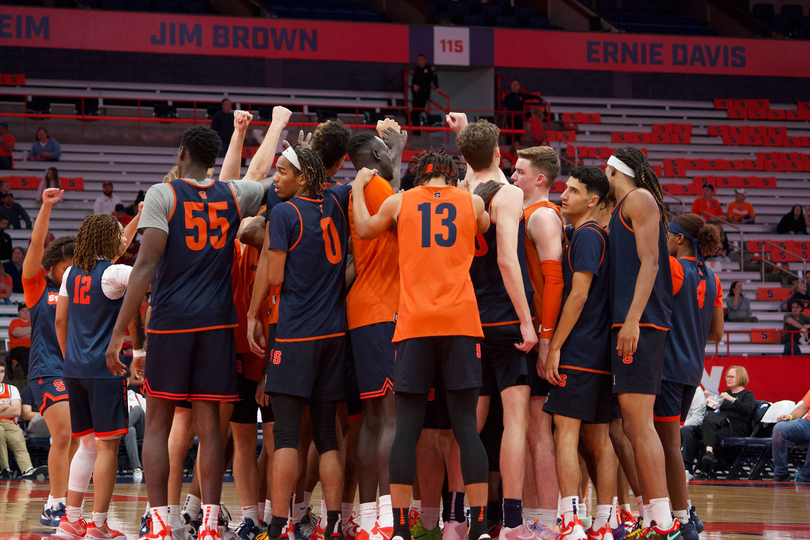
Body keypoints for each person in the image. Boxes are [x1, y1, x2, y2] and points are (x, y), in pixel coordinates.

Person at [106, 109, 285, 540]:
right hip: (218, 326)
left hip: (172, 322)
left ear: (181, 152)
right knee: (210, 428)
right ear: (214, 157)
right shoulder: (232, 193)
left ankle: (161, 521)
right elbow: (270, 180)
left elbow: (146, 264)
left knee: (159, 425)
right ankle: (208, 520)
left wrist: (119, 333)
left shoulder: (162, 194)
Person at [352, 150, 491, 540]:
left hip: (414, 325)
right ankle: (478, 526)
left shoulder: (400, 201)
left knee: (408, 429)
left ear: (418, 174)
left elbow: (363, 230)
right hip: (461, 323)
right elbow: (483, 225)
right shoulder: (471, 200)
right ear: (451, 175)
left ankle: (399, 529)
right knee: (466, 428)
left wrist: (360, 187)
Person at [454, 117, 537, 539]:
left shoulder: (459, 193)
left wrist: (465, 132)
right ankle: (513, 521)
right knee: (516, 420)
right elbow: (507, 260)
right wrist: (526, 318)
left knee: (469, 422)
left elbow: (476, 166)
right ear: (500, 154)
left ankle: (457, 519)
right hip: (504, 317)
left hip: (466, 317)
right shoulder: (509, 193)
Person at [52, 211, 141, 540]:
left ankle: (71, 520)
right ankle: (99, 526)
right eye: (120, 233)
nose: (123, 237)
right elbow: (146, 276)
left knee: (86, 446)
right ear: (109, 240)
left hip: (74, 369)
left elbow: (61, 322)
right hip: (104, 370)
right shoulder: (116, 273)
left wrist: (70, 357)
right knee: (106, 449)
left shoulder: (71, 273)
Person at [605, 147, 678, 537]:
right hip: (629, 323)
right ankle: (653, 514)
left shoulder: (638, 198)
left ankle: (662, 519)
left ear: (613, 170)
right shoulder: (620, 209)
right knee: (632, 426)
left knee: (639, 423)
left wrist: (632, 319)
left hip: (641, 323)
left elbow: (651, 262)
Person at [542, 166, 616, 540]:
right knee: (599, 440)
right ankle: (605, 520)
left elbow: (579, 294)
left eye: (573, 191)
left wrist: (554, 345)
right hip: (600, 352)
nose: (563, 195)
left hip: (580, 350)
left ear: (594, 200)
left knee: (565, 433)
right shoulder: (593, 234)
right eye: (564, 188)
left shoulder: (587, 237)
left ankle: (570, 517)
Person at [345, 128, 407, 540]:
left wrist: (397, 150)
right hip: (386, 308)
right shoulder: (380, 186)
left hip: (361, 307)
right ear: (373, 152)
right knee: (390, 419)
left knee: (369, 420)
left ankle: (368, 517)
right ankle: (387, 517)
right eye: (386, 150)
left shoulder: (364, 186)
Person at [654, 213, 724, 540]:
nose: (665, 239)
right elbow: (717, 332)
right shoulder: (713, 278)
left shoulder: (673, 267)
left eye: (668, 234)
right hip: (692, 370)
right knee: (665, 443)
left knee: (663, 445)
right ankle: (683, 509)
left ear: (680, 238)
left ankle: (681, 518)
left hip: (667, 367)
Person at [510, 144, 563, 533]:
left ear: (540, 179)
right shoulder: (528, 213)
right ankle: (531, 518)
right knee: (528, 428)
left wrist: (547, 340)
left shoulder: (543, 216)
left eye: (520, 171)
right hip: (530, 332)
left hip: (542, 334)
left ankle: (547, 518)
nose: (514, 176)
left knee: (538, 427)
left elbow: (554, 281)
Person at [23, 187, 76, 529]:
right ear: (56, 264)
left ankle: (63, 504)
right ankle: (54, 504)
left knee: (77, 440)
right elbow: (34, 247)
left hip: (74, 370)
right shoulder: (38, 287)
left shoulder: (79, 287)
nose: (74, 270)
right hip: (46, 370)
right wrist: (45, 207)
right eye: (69, 265)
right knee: (64, 435)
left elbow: (112, 256)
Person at [700, 366, 756, 475]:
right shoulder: (726, 392)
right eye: (727, 376)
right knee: (707, 425)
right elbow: (714, 408)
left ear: (740, 377)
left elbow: (748, 410)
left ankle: (705, 469)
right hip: (722, 424)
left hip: (738, 427)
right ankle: (709, 454)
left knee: (709, 434)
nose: (728, 379)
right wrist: (709, 400)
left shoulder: (747, 394)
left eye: (731, 376)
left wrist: (732, 400)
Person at [0, 363, 44, 479]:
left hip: (10, 423)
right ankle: (5, 468)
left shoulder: (11, 388)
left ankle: (27, 469)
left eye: (2, 371)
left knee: (18, 436)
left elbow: (16, 411)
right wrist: (5, 406)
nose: (0, 374)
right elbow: (12, 409)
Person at [771, 388, 810, 483]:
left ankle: (806, 475)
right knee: (780, 428)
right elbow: (803, 408)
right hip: (807, 424)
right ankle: (781, 472)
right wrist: (790, 416)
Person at [680, 387, 707, 479]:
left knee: (686, 431)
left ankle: (687, 467)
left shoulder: (696, 391)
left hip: (692, 427)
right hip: (674, 425)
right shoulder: (670, 390)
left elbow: (697, 419)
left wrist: (678, 426)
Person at [409, 54, 439, 135]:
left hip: (424, 93)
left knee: (419, 110)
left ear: (425, 60)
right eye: (419, 60)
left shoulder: (429, 69)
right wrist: (414, 86)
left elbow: (434, 78)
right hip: (416, 94)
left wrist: (437, 87)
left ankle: (417, 130)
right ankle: (416, 131)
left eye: (422, 60)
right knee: (415, 111)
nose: (420, 62)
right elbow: (413, 81)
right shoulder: (417, 70)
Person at [124, 384, 146, 482]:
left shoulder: (136, 396)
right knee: (130, 430)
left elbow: (144, 413)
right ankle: (137, 468)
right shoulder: (112, 397)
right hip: (124, 434)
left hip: (140, 430)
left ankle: (124, 426)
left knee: (137, 409)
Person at [8, 303, 31, 378]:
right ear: (19, 312)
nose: (25, 312)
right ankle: (28, 375)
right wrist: (31, 330)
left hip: (33, 347)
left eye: (27, 310)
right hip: (17, 349)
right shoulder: (14, 322)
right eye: (22, 310)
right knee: (25, 353)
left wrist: (23, 332)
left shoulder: (34, 321)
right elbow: (16, 333)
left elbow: (40, 333)